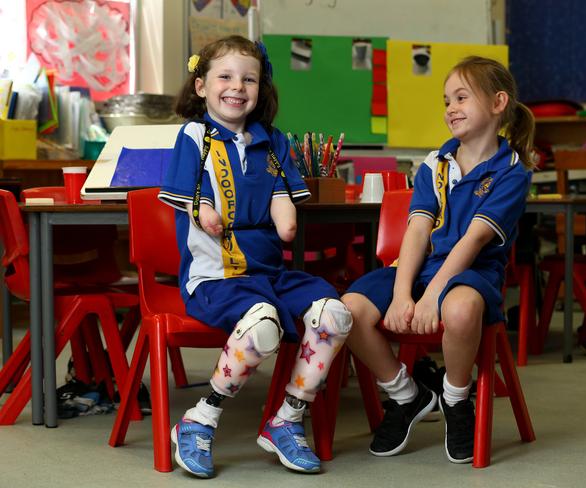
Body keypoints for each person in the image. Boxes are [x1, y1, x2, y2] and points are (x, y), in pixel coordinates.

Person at [158, 35, 352, 478]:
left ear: (261, 89)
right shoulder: (194, 136)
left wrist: (285, 217)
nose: (237, 86)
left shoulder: (272, 140)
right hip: (215, 278)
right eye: (225, 76)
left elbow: (284, 193)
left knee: (335, 315)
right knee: (262, 322)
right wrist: (201, 207)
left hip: (270, 274)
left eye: (249, 79)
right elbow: (183, 192)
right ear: (201, 85)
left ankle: (286, 418)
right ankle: (200, 419)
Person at [341, 56, 535, 463]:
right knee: (348, 311)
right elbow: (416, 230)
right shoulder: (435, 163)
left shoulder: (512, 170)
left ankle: (456, 398)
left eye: (461, 97)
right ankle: (405, 394)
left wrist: (432, 297)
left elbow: (474, 240)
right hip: (422, 270)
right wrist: (401, 293)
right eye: (446, 100)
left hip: (473, 272)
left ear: (498, 102)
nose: (450, 108)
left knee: (461, 311)